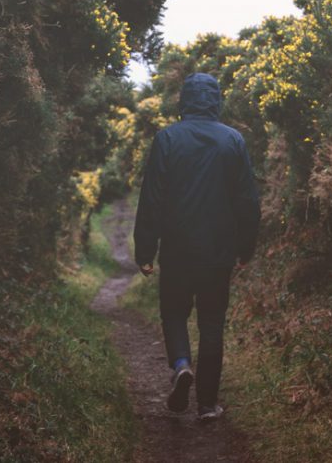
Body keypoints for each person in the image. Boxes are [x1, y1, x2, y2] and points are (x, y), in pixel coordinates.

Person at [133, 72, 261, 422]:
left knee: (174, 312)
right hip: (218, 252)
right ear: (217, 100)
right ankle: (207, 404)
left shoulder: (167, 139)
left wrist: (145, 251)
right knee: (212, 322)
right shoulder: (233, 140)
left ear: (184, 101)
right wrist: (245, 248)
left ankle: (180, 365)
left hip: (176, 249)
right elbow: (247, 201)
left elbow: (152, 199)